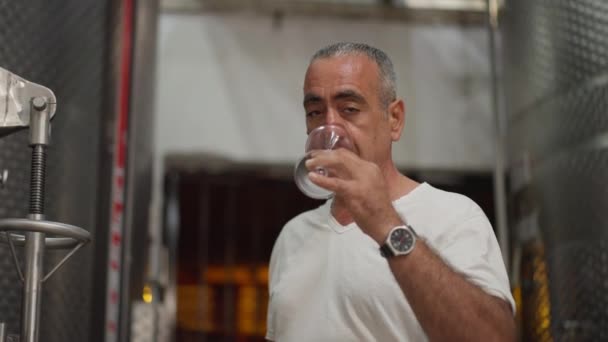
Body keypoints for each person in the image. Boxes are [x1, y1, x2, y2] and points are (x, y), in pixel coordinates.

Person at [266, 42, 515, 341]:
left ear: (394, 119)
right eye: (315, 112)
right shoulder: (292, 237)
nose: (330, 127)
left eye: (349, 109)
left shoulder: (453, 216)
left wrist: (386, 223)